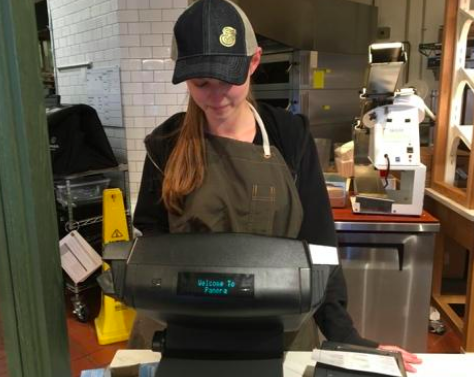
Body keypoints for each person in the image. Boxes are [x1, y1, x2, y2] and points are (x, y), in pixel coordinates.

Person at [131, 0, 422, 372]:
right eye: (201, 83)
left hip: (279, 334)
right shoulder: (166, 143)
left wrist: (345, 337)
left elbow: (319, 245)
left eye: (228, 80)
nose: (216, 96)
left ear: (254, 62)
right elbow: (152, 239)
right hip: (183, 333)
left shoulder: (289, 136)